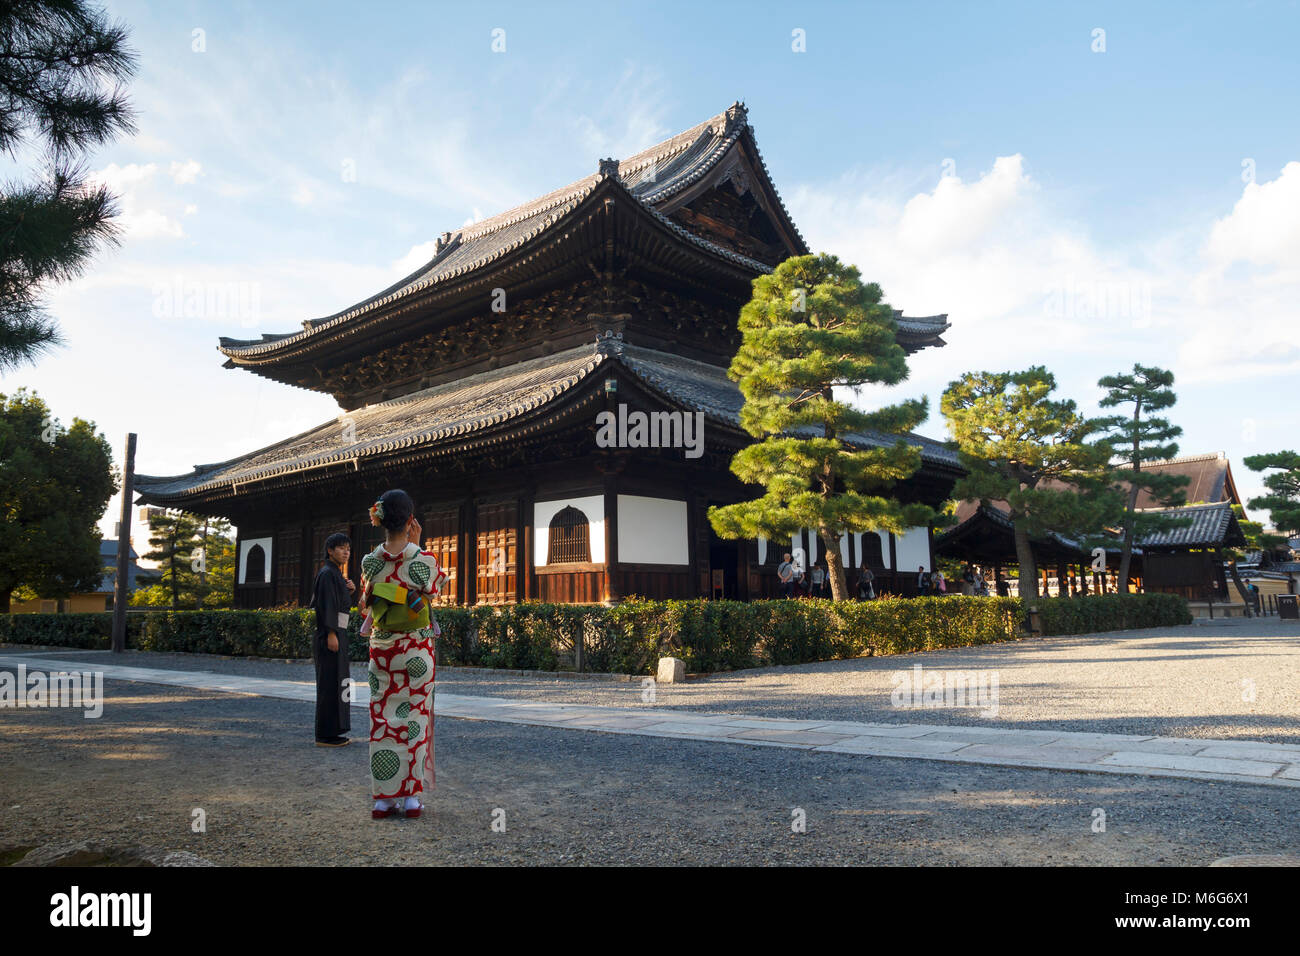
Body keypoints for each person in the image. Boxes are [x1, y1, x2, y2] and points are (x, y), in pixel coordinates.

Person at [359, 489, 447, 820]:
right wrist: (419, 545)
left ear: (378, 519)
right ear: (411, 521)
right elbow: (435, 589)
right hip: (416, 649)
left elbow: (368, 600)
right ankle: (411, 798)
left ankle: (383, 799)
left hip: (382, 649)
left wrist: (390, 591)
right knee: (415, 718)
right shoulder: (423, 560)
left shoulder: (369, 562)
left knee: (382, 720)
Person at [310, 532, 355, 747]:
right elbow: (326, 605)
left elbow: (340, 603)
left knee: (340, 682)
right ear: (330, 550)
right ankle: (325, 735)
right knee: (329, 684)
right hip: (330, 634)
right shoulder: (327, 573)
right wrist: (330, 633)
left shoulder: (336, 574)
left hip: (339, 633)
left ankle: (336, 730)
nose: (346, 552)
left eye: (348, 548)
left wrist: (350, 591)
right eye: (341, 548)